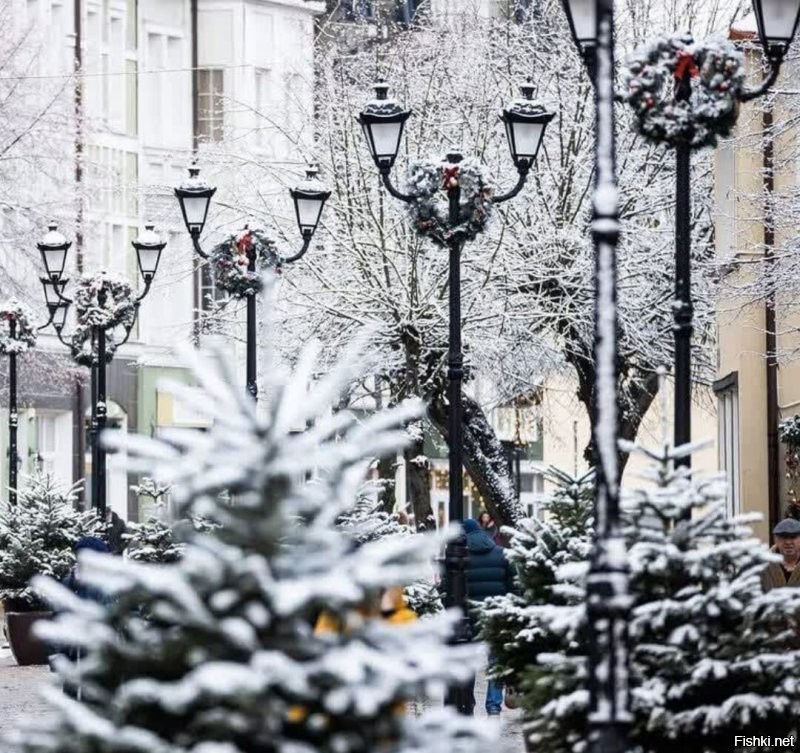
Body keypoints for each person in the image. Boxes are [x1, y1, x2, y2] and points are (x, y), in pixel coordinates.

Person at [444, 517, 515, 716]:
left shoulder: (458, 555)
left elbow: (445, 589)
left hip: (467, 618)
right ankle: (493, 706)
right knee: (495, 662)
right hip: (496, 616)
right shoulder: (501, 554)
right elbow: (515, 584)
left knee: (467, 662)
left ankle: (467, 702)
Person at [762, 518, 800, 592]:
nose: (788, 542)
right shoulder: (763, 566)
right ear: (775, 539)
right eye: (784, 537)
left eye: (793, 537)